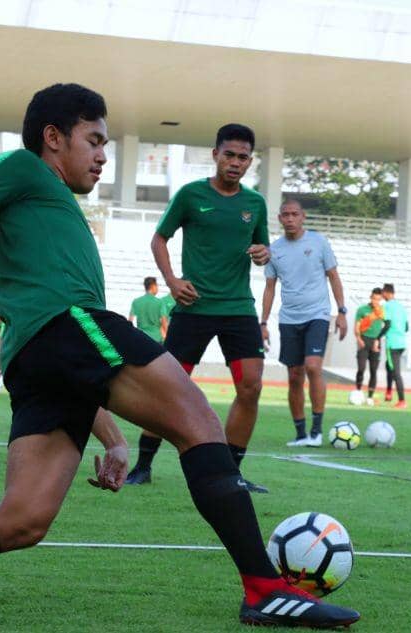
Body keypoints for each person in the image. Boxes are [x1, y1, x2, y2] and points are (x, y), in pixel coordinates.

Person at [0, 83, 358, 628]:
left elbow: (79, 370)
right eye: (93, 141)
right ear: (53, 138)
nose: (102, 157)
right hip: (66, 325)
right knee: (199, 423)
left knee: (21, 521)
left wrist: (112, 439)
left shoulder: (55, 202)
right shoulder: (22, 167)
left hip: (41, 356)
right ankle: (264, 589)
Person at [125, 123, 272, 494]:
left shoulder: (255, 204)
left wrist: (263, 253)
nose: (235, 163)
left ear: (250, 161)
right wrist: (172, 281)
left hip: (239, 308)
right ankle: (143, 466)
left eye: (243, 157)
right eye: (229, 155)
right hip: (193, 308)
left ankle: (233, 473)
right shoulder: (191, 195)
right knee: (167, 388)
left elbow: (263, 248)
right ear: (215, 154)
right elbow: (159, 238)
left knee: (251, 387)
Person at [260, 199, 347, 447]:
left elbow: (333, 276)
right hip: (289, 319)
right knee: (295, 376)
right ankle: (301, 434)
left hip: (317, 315)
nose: (290, 219)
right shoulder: (274, 250)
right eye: (285, 215)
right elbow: (269, 288)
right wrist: (263, 323)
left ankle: (316, 432)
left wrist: (341, 311)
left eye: (294, 214)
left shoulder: (319, 242)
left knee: (313, 367)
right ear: (279, 219)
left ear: (303, 216)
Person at [353, 287, 385, 404]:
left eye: (378, 299)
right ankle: (358, 392)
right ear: (370, 297)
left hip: (376, 342)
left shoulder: (382, 311)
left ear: (381, 299)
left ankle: (370, 397)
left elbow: (386, 327)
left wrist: (378, 340)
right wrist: (358, 338)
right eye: (374, 299)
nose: (375, 301)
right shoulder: (362, 310)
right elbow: (357, 325)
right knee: (361, 368)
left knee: (373, 370)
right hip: (364, 340)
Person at [381, 283, 409, 408]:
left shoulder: (386, 306)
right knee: (388, 366)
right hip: (402, 343)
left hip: (392, 344)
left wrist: (377, 337)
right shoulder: (401, 307)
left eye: (383, 292)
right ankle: (388, 392)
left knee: (396, 372)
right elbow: (406, 327)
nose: (382, 295)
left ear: (387, 293)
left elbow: (387, 324)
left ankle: (402, 400)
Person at [129, 276, 168, 343]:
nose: (157, 288)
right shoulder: (160, 302)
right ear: (153, 286)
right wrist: (168, 337)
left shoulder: (136, 301)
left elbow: (130, 321)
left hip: (141, 338)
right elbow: (164, 322)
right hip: (156, 339)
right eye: (157, 286)